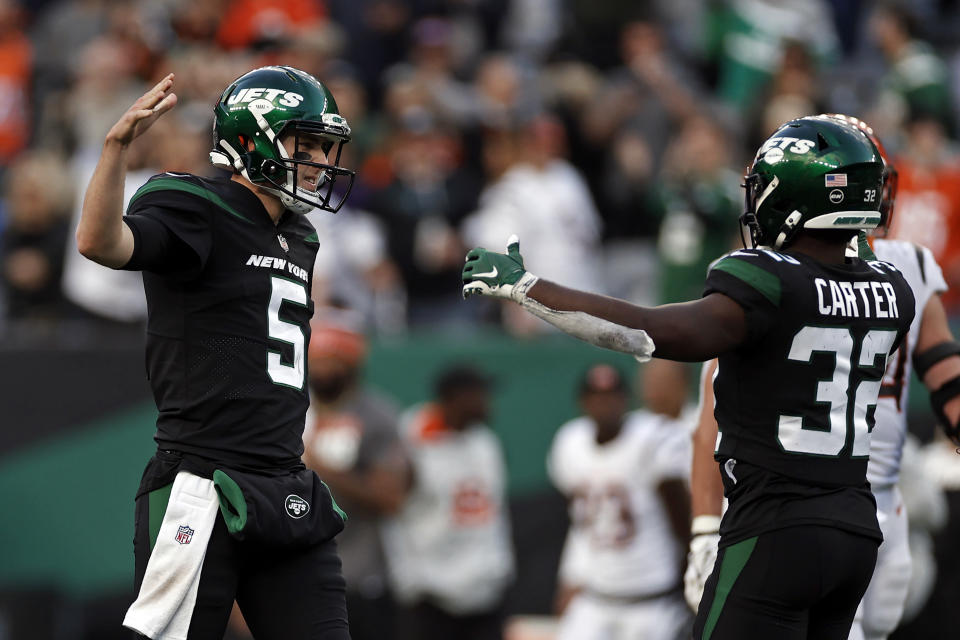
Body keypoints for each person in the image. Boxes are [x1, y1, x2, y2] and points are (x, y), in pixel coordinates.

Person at [462, 115, 916, 639]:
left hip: (776, 525)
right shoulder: (894, 289)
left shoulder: (767, 279)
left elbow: (648, 333)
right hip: (855, 528)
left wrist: (529, 288)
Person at [76, 66, 356, 639]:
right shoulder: (196, 203)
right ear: (253, 139)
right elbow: (101, 244)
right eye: (308, 146)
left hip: (285, 483)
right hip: (202, 482)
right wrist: (116, 149)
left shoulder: (299, 234)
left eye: (328, 149)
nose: (323, 164)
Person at [682, 115, 960, 640]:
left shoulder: (772, 275)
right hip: (848, 510)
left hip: (844, 503)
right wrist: (703, 529)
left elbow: (947, 372)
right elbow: (710, 416)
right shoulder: (901, 274)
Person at [548, 362, 692, 640]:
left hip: (652, 599)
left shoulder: (654, 436)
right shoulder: (570, 442)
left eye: (612, 397)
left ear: (626, 400)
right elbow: (582, 521)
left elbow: (681, 519)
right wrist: (571, 576)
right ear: (583, 402)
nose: (605, 405)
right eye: (597, 397)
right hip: (595, 596)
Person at [383, 364, 514, 640]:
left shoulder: (485, 441)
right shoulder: (414, 437)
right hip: (432, 593)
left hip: (484, 592)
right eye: (479, 394)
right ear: (455, 397)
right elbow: (390, 502)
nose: (486, 402)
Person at [302, 316, 409, 640]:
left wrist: (324, 469)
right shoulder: (291, 410)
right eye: (316, 360)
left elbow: (391, 498)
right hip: (296, 574)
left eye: (331, 361)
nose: (321, 369)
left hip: (359, 575)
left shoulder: (376, 416)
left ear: (351, 364)